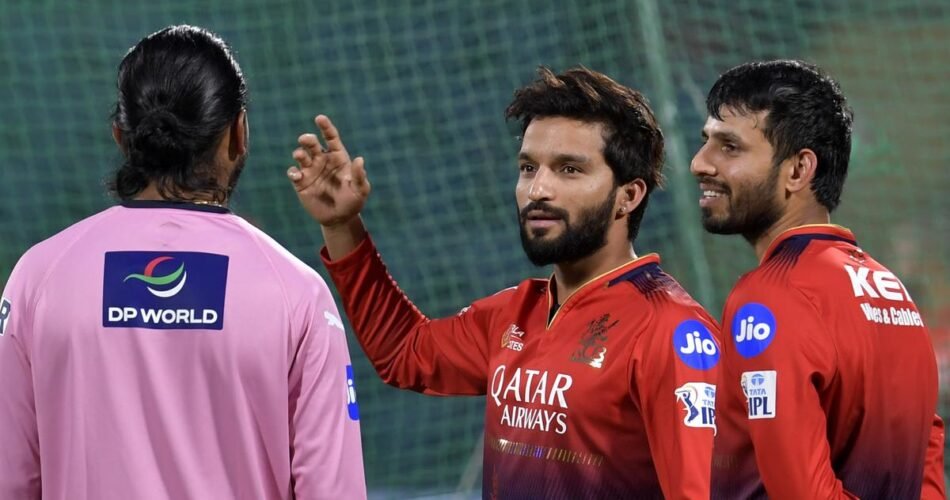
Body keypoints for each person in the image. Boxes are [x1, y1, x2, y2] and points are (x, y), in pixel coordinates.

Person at [288, 66, 721, 499]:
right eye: (529, 167)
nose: (538, 189)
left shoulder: (671, 330)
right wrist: (342, 226)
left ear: (628, 196)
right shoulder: (513, 314)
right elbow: (404, 352)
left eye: (569, 169)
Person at [0, 25, 366, 499]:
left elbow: (10, 479)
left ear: (121, 136)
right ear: (239, 134)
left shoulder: (37, 278)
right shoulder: (298, 296)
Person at [691, 59, 945, 499]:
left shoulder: (768, 297)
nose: (700, 163)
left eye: (729, 147)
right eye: (705, 142)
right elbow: (927, 446)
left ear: (798, 170)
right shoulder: (892, 291)